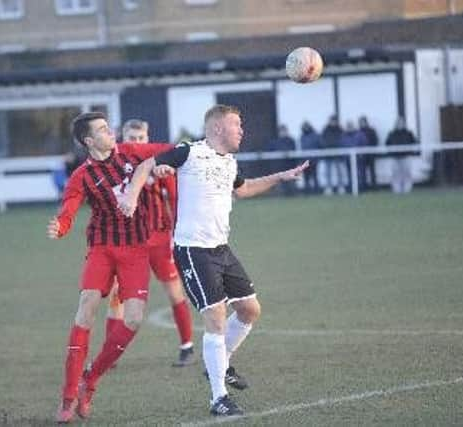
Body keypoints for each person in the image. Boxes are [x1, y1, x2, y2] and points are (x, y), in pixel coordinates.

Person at [118, 105, 309, 417]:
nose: (242, 130)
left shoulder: (229, 162)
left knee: (250, 310)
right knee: (216, 318)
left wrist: (281, 177)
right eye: (237, 124)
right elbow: (146, 165)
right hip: (193, 250)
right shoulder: (188, 152)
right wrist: (131, 196)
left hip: (221, 249)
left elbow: (244, 190)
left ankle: (220, 365)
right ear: (218, 128)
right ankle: (218, 397)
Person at [47, 111, 172, 423]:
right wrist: (60, 227)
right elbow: (68, 209)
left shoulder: (130, 152)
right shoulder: (81, 176)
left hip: (135, 250)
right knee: (86, 307)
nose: (111, 131)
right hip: (102, 248)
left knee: (132, 320)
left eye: (108, 126)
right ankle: (67, 398)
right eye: (103, 129)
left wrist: (177, 156)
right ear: (89, 141)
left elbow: (165, 149)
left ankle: (91, 380)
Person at [105, 118, 195, 367]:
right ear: (122, 138)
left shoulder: (159, 162)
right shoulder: (114, 164)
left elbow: (175, 198)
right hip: (127, 241)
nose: (135, 143)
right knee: (117, 295)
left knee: (173, 290)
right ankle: (109, 353)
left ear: (147, 138)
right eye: (131, 138)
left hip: (158, 237)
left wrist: (177, 235)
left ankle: (186, 345)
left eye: (140, 138)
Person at [385, 117, 418, 194]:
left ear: (404, 124)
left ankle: (407, 190)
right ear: (395, 124)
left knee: (407, 173)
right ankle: (397, 190)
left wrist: (410, 151)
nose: (399, 124)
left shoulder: (409, 133)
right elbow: (387, 144)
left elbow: (414, 143)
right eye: (398, 123)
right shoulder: (391, 133)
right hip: (395, 157)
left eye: (401, 123)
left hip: (406, 157)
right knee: (395, 174)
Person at [267, 125, 298, 196]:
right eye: (281, 131)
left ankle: (293, 195)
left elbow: (293, 151)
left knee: (291, 182)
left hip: (289, 166)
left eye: (284, 131)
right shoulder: (275, 141)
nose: (283, 133)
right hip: (279, 166)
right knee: (280, 183)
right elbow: (270, 151)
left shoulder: (291, 140)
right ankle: (280, 195)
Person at [321, 115, 347, 195]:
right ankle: (328, 187)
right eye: (332, 120)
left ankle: (341, 186)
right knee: (327, 172)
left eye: (334, 121)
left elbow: (342, 140)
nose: (333, 122)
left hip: (338, 153)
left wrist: (335, 146)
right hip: (328, 154)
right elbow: (323, 141)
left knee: (339, 171)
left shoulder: (340, 129)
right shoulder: (325, 130)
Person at [340, 121, 368, 192]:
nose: (349, 128)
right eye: (348, 126)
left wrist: (362, 155)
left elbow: (364, 144)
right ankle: (351, 188)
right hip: (348, 158)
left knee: (360, 173)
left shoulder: (360, 134)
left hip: (359, 158)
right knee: (350, 174)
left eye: (350, 126)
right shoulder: (343, 136)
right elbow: (342, 146)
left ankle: (362, 188)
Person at [299, 121, 321, 193]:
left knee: (315, 176)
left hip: (313, 160)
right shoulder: (302, 136)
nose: (306, 128)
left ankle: (316, 191)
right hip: (305, 160)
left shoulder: (315, 136)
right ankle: (307, 191)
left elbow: (319, 146)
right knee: (306, 178)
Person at [358, 116, 379, 189]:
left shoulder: (372, 131)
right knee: (362, 171)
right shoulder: (358, 132)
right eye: (361, 122)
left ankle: (374, 186)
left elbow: (375, 141)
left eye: (363, 122)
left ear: (366, 122)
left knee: (372, 171)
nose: (362, 123)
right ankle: (363, 186)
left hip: (371, 154)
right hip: (362, 155)